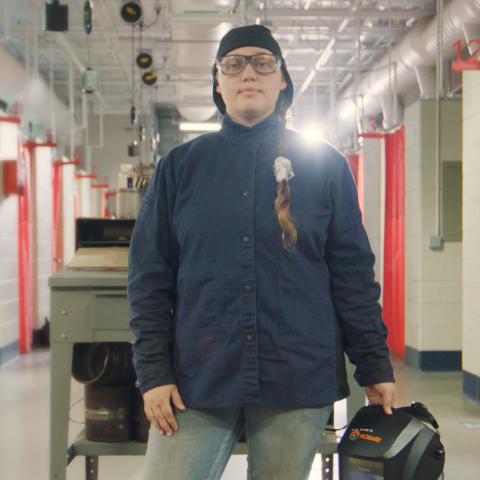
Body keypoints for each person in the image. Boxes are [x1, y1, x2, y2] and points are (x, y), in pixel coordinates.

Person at [128, 24, 396, 480]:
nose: (248, 72)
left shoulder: (325, 166)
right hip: (198, 377)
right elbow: (149, 278)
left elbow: (353, 275)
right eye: (233, 64)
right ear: (218, 82)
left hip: (296, 373)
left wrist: (374, 364)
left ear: (282, 80)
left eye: (263, 63)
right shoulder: (181, 167)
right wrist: (153, 371)